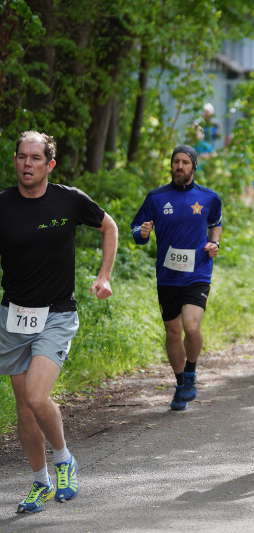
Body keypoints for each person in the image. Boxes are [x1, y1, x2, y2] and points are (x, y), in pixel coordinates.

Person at [2, 131, 118, 513]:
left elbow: (109, 227)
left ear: (49, 164)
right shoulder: (3, 204)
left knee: (37, 396)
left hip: (57, 314)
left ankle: (65, 459)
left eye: (35, 158)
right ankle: (39, 482)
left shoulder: (68, 199)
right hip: (14, 315)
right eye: (22, 157)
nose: (27, 164)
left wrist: (105, 275)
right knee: (24, 409)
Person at [131, 145, 223, 411]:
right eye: (175, 162)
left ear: (194, 166)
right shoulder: (156, 197)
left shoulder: (208, 197)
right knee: (173, 331)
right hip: (168, 276)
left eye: (185, 162)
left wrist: (214, 244)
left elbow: (215, 222)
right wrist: (143, 233)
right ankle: (181, 381)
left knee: (191, 326)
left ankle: (191, 372)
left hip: (198, 272)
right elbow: (136, 231)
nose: (179, 166)